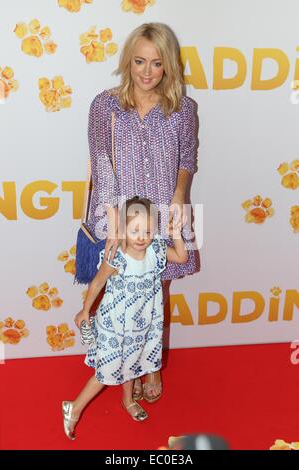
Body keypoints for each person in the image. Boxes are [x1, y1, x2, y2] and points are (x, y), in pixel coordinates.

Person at [87, 22, 200, 403]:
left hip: (163, 213)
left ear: (168, 65)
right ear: (127, 61)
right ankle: (124, 369)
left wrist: (180, 193)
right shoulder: (105, 106)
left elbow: (188, 158)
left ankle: (149, 367)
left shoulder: (183, 108)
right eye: (139, 61)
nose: (147, 72)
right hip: (123, 214)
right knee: (122, 294)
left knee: (155, 293)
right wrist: (114, 224)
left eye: (156, 63)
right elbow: (101, 162)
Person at [62, 197, 188, 440]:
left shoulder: (156, 250)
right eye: (135, 230)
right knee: (106, 371)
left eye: (149, 230)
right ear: (123, 229)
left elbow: (181, 257)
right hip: (114, 324)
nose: (142, 237)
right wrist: (85, 310)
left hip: (142, 324)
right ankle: (74, 408)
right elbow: (97, 283)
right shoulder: (116, 257)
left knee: (134, 362)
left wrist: (177, 235)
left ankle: (128, 400)